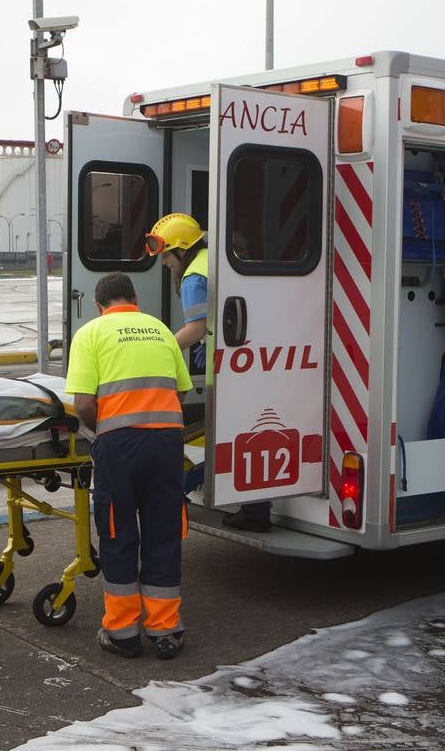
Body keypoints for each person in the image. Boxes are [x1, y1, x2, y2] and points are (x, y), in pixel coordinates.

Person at [66, 273, 193, 661]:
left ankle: (122, 632)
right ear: (134, 298)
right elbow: (182, 389)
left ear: (99, 304)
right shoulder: (159, 330)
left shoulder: (91, 333)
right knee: (163, 530)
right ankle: (165, 629)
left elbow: (83, 404)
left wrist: (102, 432)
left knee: (119, 532)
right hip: (167, 442)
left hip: (120, 446)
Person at [145, 213, 272, 533]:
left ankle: (178, 490)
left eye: (166, 255)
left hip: (235, 361)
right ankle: (257, 509)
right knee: (249, 433)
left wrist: (162, 348)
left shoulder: (193, 277)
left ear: (180, 250)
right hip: (258, 355)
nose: (164, 263)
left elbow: (196, 327)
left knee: (226, 435)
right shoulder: (215, 258)